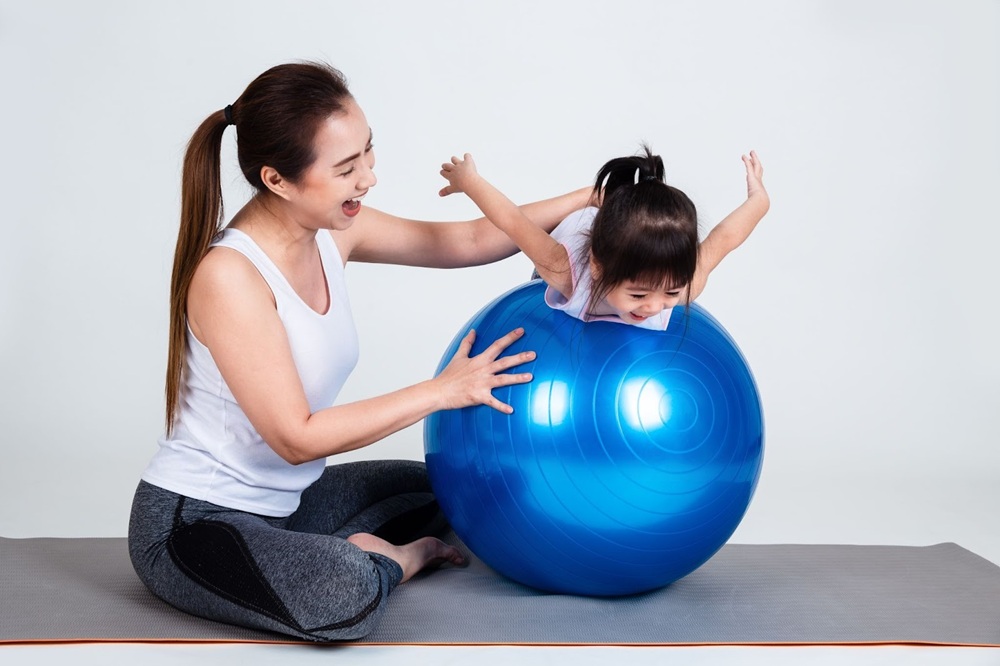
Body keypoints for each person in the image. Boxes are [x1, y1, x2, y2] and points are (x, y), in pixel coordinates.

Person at [127, 61, 592, 642]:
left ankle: (332, 551)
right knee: (344, 594)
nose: (368, 179)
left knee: (458, 485)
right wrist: (442, 391)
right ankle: (390, 560)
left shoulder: (334, 231)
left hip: (289, 507)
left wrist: (593, 197)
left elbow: (469, 240)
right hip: (195, 524)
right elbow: (296, 438)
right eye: (346, 168)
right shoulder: (232, 277)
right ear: (277, 180)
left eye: (368, 154)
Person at [439, 145, 769, 330]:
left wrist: (759, 198)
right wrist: (470, 181)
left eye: (669, 291)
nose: (655, 306)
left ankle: (606, 198)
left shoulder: (684, 285)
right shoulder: (567, 272)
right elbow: (513, 221)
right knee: (543, 254)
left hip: (614, 248)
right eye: (639, 295)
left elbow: (724, 238)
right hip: (570, 248)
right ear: (598, 268)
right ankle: (592, 197)